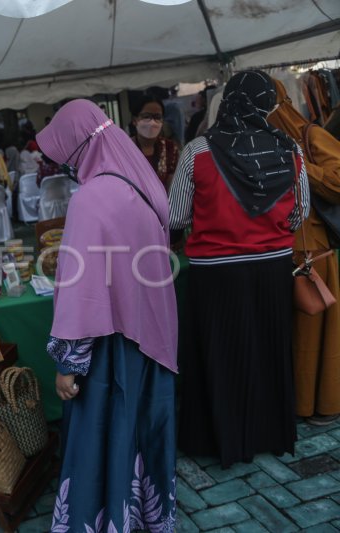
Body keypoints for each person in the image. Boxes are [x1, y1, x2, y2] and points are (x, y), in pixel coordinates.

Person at [38, 100, 178, 532]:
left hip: (106, 350)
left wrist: (67, 365)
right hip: (149, 345)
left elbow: (83, 294)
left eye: (64, 154)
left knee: (103, 439)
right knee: (136, 435)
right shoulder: (143, 187)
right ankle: (141, 517)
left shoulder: (91, 201)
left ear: (78, 149)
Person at [170, 70, 309, 467]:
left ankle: (223, 439)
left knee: (220, 354)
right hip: (272, 268)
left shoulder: (198, 150)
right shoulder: (290, 150)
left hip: (215, 273)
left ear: (227, 100)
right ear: (267, 105)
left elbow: (176, 216)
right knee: (269, 351)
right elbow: (300, 215)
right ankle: (270, 432)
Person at [268, 78, 340, 426]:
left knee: (313, 334)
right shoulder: (257, 141)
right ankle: (293, 403)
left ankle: (319, 404)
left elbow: (338, 180)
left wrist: (297, 164)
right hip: (274, 249)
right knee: (291, 336)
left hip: (310, 250)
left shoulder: (310, 136)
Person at [131, 95, 180, 190]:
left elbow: (172, 187)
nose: (152, 122)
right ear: (134, 120)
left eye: (157, 117)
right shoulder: (124, 148)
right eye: (146, 116)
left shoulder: (170, 148)